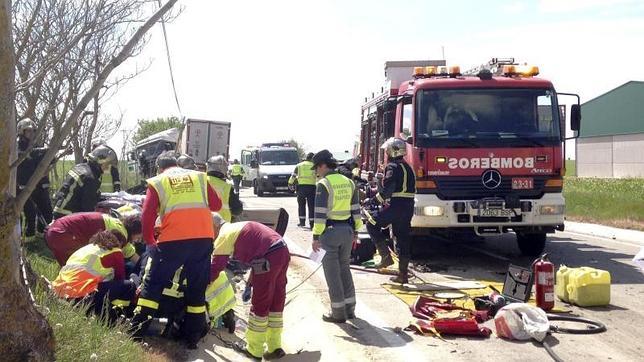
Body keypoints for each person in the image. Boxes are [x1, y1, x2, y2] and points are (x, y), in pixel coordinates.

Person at [129, 151, 222, 349]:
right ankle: (192, 339)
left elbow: (146, 216)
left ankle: (137, 333)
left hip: (172, 242)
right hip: (202, 240)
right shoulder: (199, 176)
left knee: (152, 287)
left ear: (159, 168)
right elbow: (217, 204)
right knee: (196, 293)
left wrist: (150, 241)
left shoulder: (158, 181)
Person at [211, 213, 289, 360]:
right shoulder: (237, 227)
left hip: (268, 257)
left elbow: (216, 268)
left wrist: (201, 284)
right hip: (281, 250)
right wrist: (250, 283)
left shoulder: (224, 235)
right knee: (276, 302)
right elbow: (258, 254)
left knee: (260, 303)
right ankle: (275, 347)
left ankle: (254, 350)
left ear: (214, 226)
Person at [311, 150, 362, 323]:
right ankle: (350, 309)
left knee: (332, 274)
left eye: (316, 168)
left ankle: (338, 313)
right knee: (344, 269)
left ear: (323, 165)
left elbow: (319, 214)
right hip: (347, 231)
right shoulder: (349, 182)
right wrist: (356, 231)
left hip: (330, 233)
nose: (316, 172)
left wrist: (316, 236)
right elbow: (356, 210)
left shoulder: (323, 184)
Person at [52, 230, 137, 321]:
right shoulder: (115, 252)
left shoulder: (86, 249)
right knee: (128, 286)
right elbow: (120, 278)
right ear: (119, 243)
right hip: (80, 296)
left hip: (59, 292)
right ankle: (115, 318)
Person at [365, 138, 416, 283]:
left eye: (387, 150)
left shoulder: (392, 167)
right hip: (408, 206)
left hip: (397, 206)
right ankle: (403, 275)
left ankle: (385, 257)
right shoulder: (409, 167)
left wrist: (374, 200)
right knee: (402, 238)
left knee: (371, 224)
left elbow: (388, 189)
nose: (386, 153)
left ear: (393, 151)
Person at [45, 212, 141, 266]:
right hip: (63, 234)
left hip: (55, 230)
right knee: (76, 268)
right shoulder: (120, 235)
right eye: (140, 236)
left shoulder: (118, 225)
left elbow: (131, 254)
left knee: (69, 269)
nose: (139, 240)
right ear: (135, 231)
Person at [52, 145, 117, 219]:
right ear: (99, 162)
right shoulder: (90, 178)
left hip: (59, 210)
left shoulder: (79, 167)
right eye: (107, 164)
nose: (107, 168)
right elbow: (88, 208)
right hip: (69, 216)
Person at [16, 119, 53, 237]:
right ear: (22, 132)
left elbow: (45, 159)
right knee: (30, 213)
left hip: (40, 185)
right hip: (24, 186)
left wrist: (53, 155)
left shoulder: (37, 146)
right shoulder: (17, 146)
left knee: (46, 209)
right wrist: (44, 150)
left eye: (33, 131)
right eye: (29, 131)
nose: (31, 134)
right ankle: (29, 237)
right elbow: (27, 154)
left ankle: (43, 234)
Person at [207, 155, 243, 222]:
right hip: (222, 225)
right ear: (222, 168)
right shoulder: (227, 186)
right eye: (226, 166)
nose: (227, 169)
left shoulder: (201, 181)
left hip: (204, 223)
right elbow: (237, 210)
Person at [287, 152, 316, 228]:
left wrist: (290, 183)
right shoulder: (315, 166)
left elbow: (293, 176)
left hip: (301, 188)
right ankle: (312, 223)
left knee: (301, 205)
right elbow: (318, 176)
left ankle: (302, 222)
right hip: (312, 188)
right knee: (311, 206)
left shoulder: (299, 165)